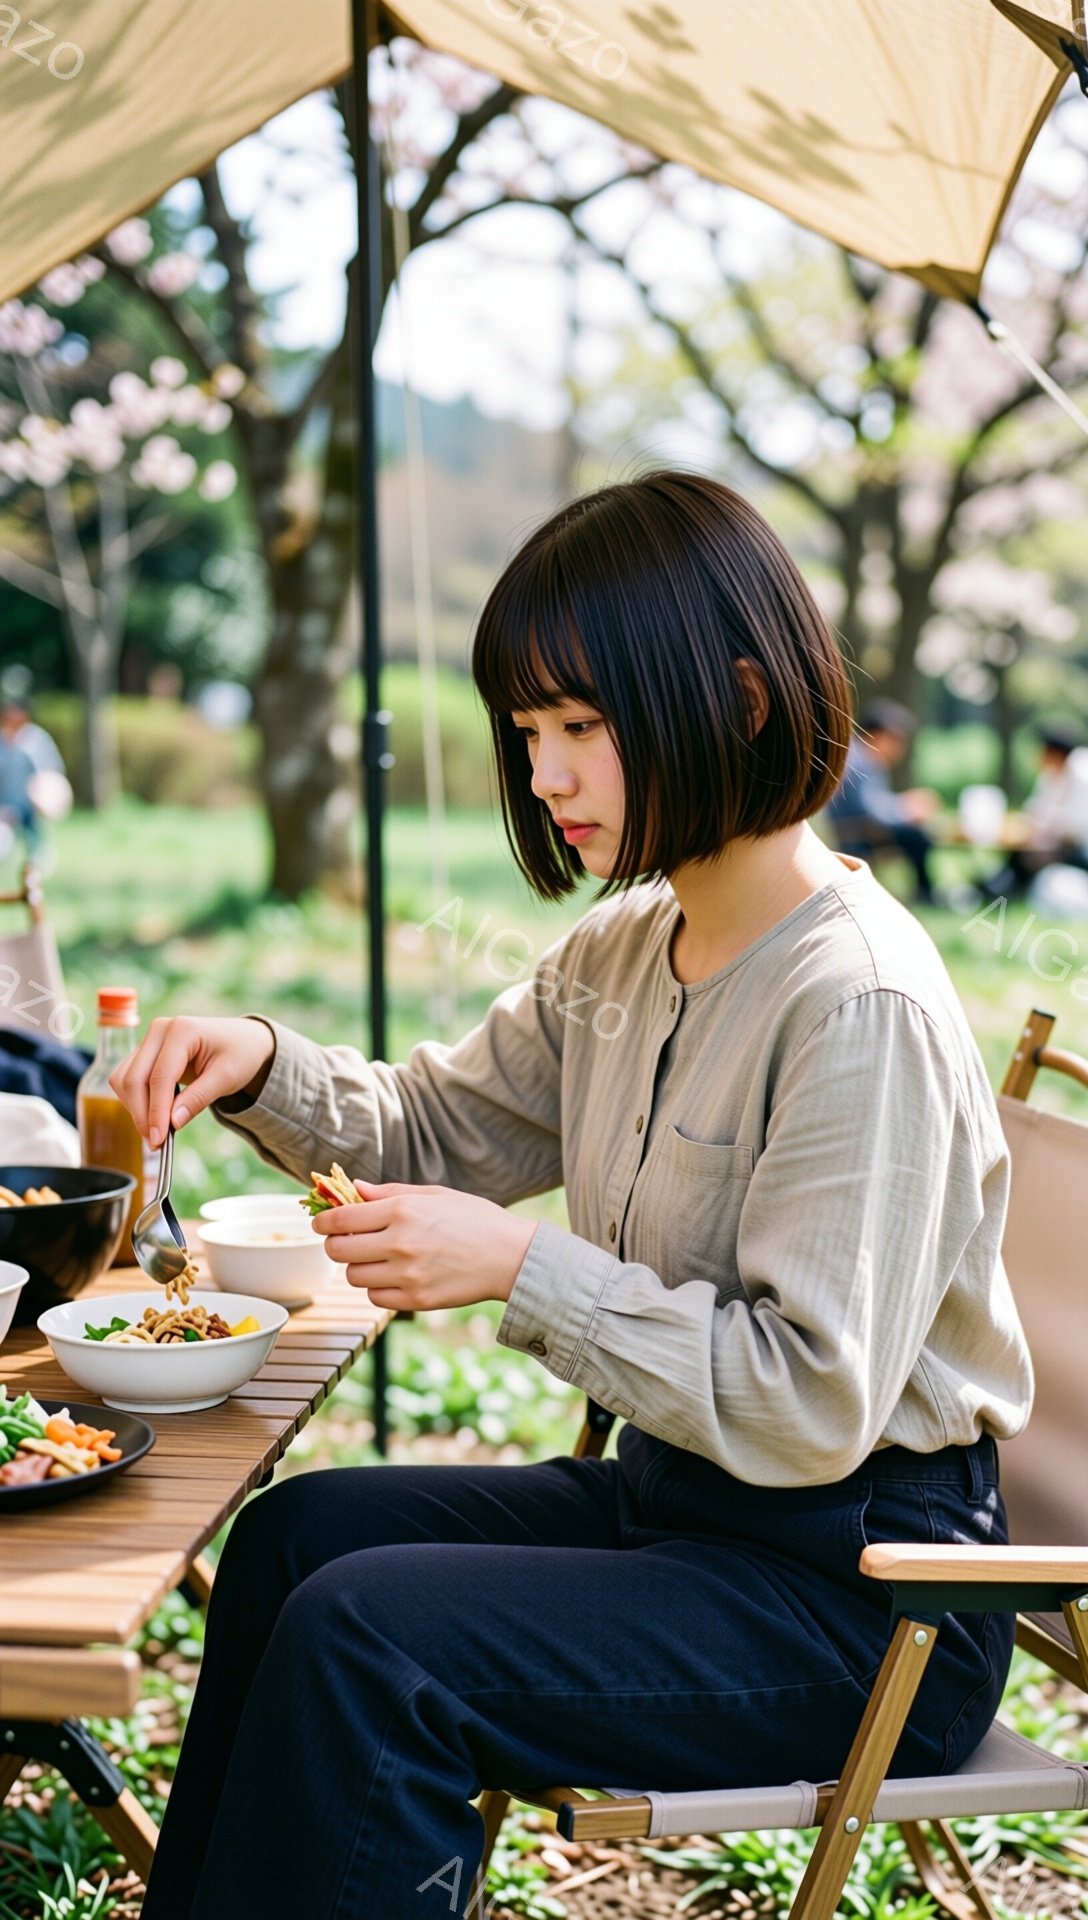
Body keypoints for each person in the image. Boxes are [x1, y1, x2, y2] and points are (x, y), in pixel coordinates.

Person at [111, 472, 1033, 1920]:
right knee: (301, 1540)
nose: (545, 777)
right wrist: (259, 1065)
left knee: (372, 1637)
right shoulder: (624, 951)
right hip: (691, 1518)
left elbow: (810, 1402)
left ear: (736, 703)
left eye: (583, 729)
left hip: (866, 1596)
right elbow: (436, 1127)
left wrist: (517, 1268)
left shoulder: (858, 1004)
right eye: (528, 732)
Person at [825, 698, 941, 905]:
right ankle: (926, 893)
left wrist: (903, 804)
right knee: (919, 837)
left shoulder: (859, 755)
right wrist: (906, 810)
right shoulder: (861, 761)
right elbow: (871, 812)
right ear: (878, 735)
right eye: (896, 740)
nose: (900, 749)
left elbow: (875, 802)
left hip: (859, 828)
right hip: (859, 834)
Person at [981, 723, 1088, 902]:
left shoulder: (1081, 773)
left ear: (1054, 753)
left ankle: (1000, 890)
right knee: (1022, 851)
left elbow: (1079, 825)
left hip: (1080, 850)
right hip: (1059, 843)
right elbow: (1038, 809)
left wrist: (1049, 838)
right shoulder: (1052, 773)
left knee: (1031, 855)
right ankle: (996, 888)